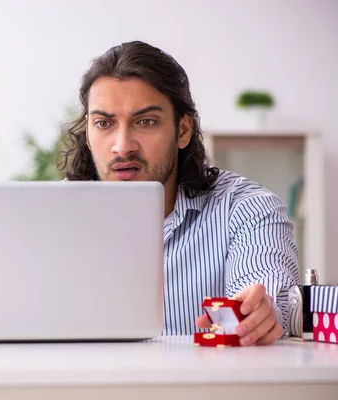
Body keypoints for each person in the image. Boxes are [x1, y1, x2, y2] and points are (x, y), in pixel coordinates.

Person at [59, 40, 299, 346]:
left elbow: (265, 292)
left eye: (145, 122)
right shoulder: (53, 216)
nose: (123, 146)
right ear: (89, 136)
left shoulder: (246, 208)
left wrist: (257, 313)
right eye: (104, 123)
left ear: (183, 130)